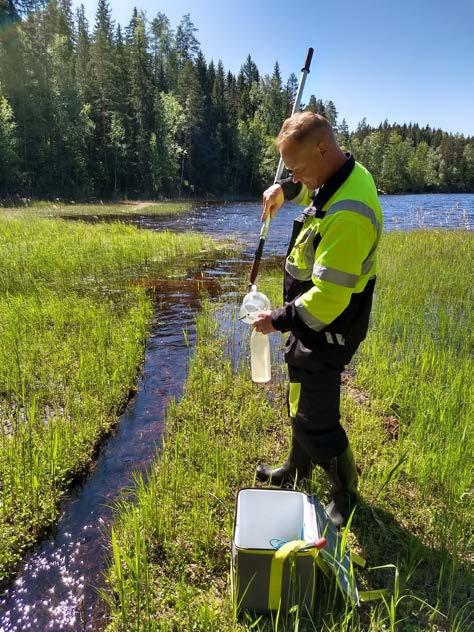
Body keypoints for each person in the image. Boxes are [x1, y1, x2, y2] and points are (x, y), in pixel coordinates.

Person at [252, 112, 383, 528]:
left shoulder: (351, 214)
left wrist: (277, 319)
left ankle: (346, 494)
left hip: (331, 327)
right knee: (299, 398)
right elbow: (315, 181)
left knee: (318, 416)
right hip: (310, 323)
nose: (296, 178)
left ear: (323, 150)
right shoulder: (338, 171)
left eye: (297, 170)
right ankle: (297, 466)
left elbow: (328, 298)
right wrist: (283, 188)